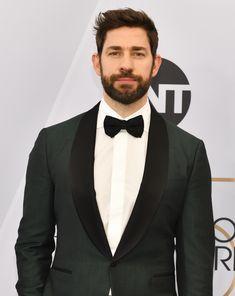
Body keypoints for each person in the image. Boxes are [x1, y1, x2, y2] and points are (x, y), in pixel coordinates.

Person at [15, 8, 215, 296]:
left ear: (155, 64)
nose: (126, 64)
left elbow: (195, 260)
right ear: (97, 63)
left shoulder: (189, 152)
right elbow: (33, 244)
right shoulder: (52, 143)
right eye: (114, 53)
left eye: (138, 53)